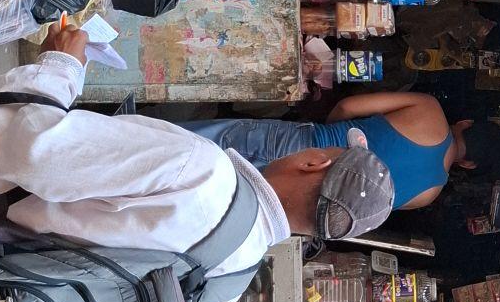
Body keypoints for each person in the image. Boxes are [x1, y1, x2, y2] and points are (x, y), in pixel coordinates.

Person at [0, 26, 395, 302]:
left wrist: (61, 65)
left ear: (315, 162)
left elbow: (34, 151)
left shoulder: (203, 170)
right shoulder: (227, 287)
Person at [185, 89, 472, 213]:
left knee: (197, 144)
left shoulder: (430, 110)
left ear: (466, 123)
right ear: (469, 165)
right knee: (203, 193)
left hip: (302, 143)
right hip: (296, 196)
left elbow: (348, 107)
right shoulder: (427, 195)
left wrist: (327, 133)